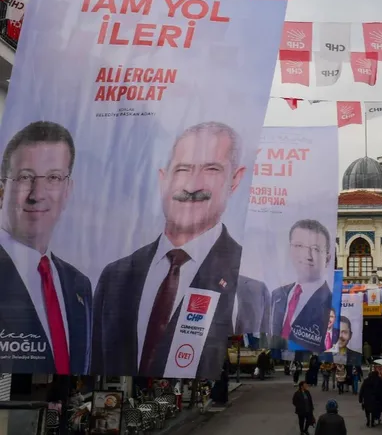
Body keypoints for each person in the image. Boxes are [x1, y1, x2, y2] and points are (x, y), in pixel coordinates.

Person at [91, 122, 248, 377]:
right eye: (183, 169)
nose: (192, 186)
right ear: (163, 179)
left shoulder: (246, 281)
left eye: (211, 169)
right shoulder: (115, 277)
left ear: (235, 179)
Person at [0, 122, 92, 375]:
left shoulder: (78, 284)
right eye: (25, 177)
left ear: (67, 190)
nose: (37, 193)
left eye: (53, 178)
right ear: (2, 188)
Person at [271, 219, 333, 351]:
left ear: (327, 259)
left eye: (315, 249)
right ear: (289, 250)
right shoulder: (277, 295)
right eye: (299, 246)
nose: (307, 255)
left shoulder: (330, 302)